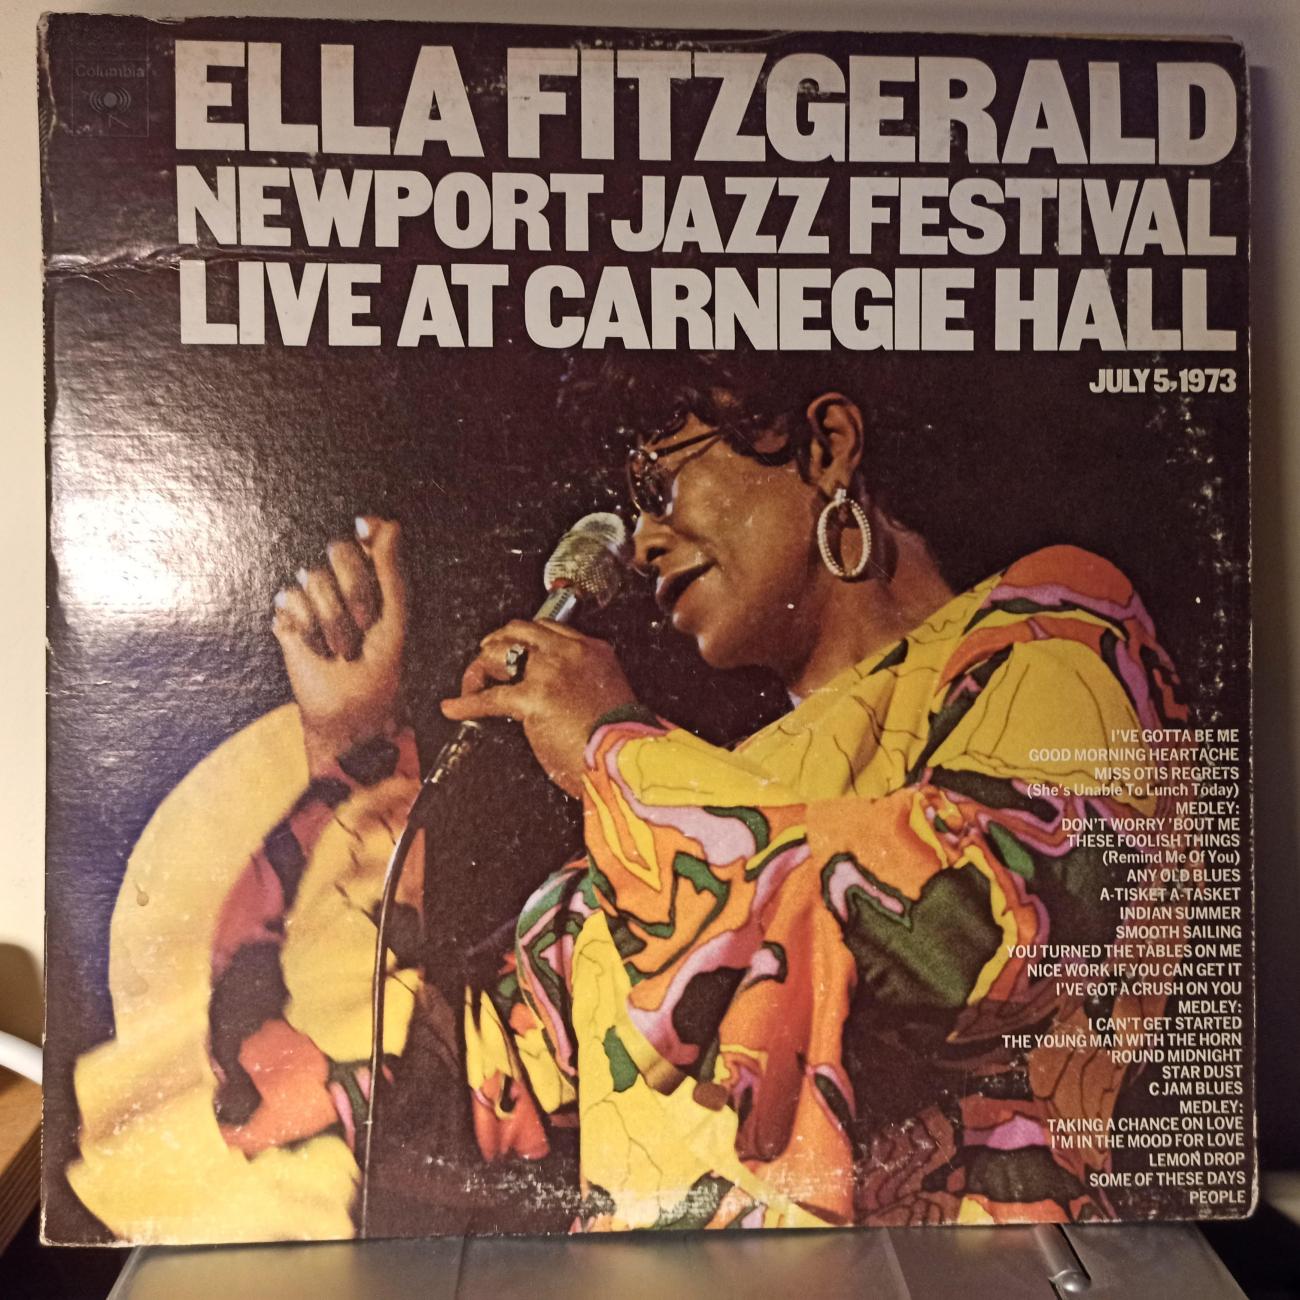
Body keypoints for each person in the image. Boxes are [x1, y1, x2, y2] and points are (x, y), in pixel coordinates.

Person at [69, 351, 1189, 1238]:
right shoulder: (673, 818)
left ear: (826, 446)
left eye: (662, 482)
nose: (643, 541)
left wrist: (613, 748)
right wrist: (355, 753)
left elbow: (974, 939)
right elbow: (425, 1102)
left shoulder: (1047, 639)